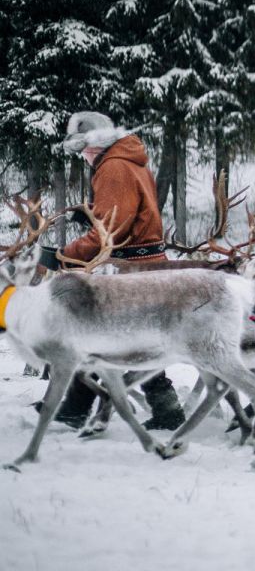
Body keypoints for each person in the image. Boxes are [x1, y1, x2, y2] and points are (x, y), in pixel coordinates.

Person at [47, 112, 184, 431]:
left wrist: (65, 255)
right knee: (128, 339)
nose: (84, 157)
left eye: (83, 150)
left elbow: (111, 232)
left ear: (94, 144)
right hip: (146, 263)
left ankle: (74, 410)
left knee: (101, 336)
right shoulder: (130, 160)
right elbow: (125, 214)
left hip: (129, 268)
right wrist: (94, 216)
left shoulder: (112, 167)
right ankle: (166, 409)